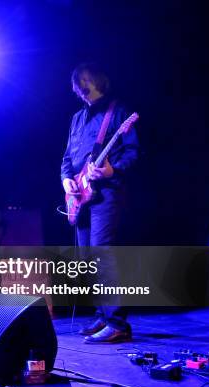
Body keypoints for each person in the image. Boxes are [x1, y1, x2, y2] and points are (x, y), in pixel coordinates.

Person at [61, 62, 139, 344]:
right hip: (80, 195)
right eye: (76, 85)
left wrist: (111, 170)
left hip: (107, 194)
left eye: (84, 81)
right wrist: (66, 181)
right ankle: (103, 315)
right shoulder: (76, 119)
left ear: (98, 79)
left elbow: (132, 153)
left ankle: (118, 323)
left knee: (102, 254)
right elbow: (67, 159)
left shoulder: (118, 112)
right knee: (87, 260)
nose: (80, 89)